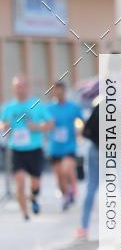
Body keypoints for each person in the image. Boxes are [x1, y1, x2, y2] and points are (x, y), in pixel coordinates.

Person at [0, 76, 52, 220]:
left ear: (27, 88)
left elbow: (50, 123)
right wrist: (4, 126)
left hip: (34, 149)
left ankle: (34, 197)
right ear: (13, 88)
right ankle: (25, 213)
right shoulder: (8, 107)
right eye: (17, 86)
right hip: (16, 150)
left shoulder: (36, 104)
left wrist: (37, 127)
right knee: (20, 181)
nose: (20, 89)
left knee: (35, 183)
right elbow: (2, 123)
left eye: (22, 86)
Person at [47, 80, 83, 211]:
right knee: (59, 176)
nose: (59, 94)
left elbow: (80, 121)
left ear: (64, 92)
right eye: (57, 92)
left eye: (61, 91)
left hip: (69, 145)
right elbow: (44, 123)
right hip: (55, 146)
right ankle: (65, 195)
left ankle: (72, 187)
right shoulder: (49, 108)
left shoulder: (73, 107)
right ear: (54, 92)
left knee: (67, 169)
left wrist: (78, 129)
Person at [75, 99, 100, 240]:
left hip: (96, 149)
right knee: (119, 187)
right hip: (113, 151)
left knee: (91, 188)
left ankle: (83, 227)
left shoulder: (100, 105)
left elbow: (86, 131)